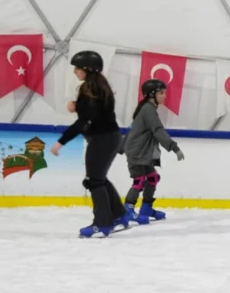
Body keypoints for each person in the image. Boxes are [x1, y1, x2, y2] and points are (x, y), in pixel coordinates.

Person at [50, 50, 127, 238]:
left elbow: (84, 122)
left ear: (88, 69)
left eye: (78, 68)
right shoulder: (100, 87)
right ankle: (118, 215)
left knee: (94, 181)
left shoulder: (89, 89)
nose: (75, 71)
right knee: (99, 178)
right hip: (110, 137)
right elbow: (96, 112)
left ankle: (102, 224)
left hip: (102, 140)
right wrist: (77, 106)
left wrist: (61, 142)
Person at [120, 79, 185, 224]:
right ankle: (128, 209)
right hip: (137, 152)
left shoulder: (147, 108)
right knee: (139, 180)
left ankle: (146, 208)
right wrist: (174, 147)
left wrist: (121, 146)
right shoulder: (148, 109)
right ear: (151, 95)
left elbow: (133, 128)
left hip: (142, 152)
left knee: (153, 178)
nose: (164, 96)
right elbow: (157, 130)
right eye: (161, 93)